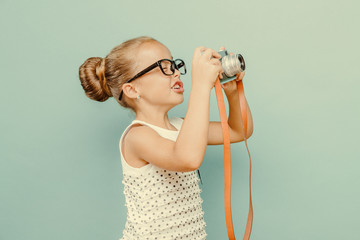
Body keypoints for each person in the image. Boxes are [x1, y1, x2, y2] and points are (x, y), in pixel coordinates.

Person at [78, 36, 253, 240]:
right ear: (133, 89)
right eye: (164, 67)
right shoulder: (137, 136)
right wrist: (200, 86)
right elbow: (187, 158)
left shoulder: (182, 127)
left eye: (174, 64)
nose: (176, 72)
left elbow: (238, 131)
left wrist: (231, 92)